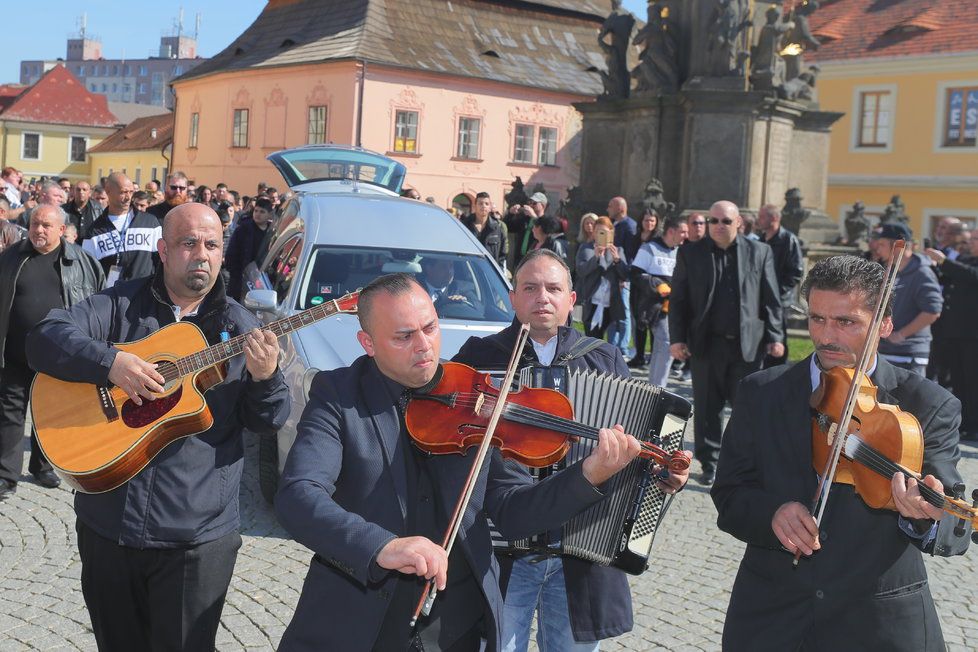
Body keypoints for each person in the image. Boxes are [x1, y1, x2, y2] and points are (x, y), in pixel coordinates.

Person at [274, 271, 646, 651]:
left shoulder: (476, 396)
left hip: (456, 627)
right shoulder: (338, 396)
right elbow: (299, 495)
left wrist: (589, 475)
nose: (424, 346)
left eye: (430, 328)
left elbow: (515, 512)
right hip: (358, 620)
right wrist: (382, 547)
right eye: (404, 336)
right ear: (367, 342)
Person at [26, 202, 290, 650]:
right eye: (189, 243)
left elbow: (268, 420)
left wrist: (266, 379)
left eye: (212, 244)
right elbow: (44, 337)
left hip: (196, 539)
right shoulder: (120, 303)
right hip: (109, 528)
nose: (201, 254)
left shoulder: (240, 328)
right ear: (164, 251)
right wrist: (109, 362)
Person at [712, 255, 969, 651]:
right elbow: (729, 493)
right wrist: (772, 513)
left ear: (884, 324)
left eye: (846, 322)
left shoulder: (928, 405)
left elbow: (951, 523)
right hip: (773, 617)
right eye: (817, 319)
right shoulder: (761, 392)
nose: (826, 336)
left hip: (878, 624)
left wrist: (927, 517)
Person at [453, 249, 690, 651]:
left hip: (580, 553)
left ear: (571, 300)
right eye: (529, 288)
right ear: (512, 298)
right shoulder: (479, 358)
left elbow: (636, 445)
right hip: (500, 553)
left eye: (553, 288)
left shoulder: (604, 358)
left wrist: (665, 475)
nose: (541, 297)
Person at [669, 200, 783, 485]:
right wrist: (677, 339)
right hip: (706, 344)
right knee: (707, 407)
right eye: (714, 221)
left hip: (747, 345)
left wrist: (776, 336)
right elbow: (679, 299)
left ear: (739, 224)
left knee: (747, 407)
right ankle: (710, 464)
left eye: (725, 222)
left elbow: (771, 298)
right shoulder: (690, 253)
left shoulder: (760, 252)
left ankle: (744, 463)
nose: (719, 226)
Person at [0, 204, 104, 500]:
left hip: (58, 356)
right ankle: (6, 475)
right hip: (15, 354)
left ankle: (43, 467)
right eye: (34, 224)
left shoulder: (83, 261)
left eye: (46, 225)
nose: (39, 230)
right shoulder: (10, 258)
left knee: (51, 414)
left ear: (62, 229)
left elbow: (96, 307)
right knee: (9, 414)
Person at [870, 223, 943, 377]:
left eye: (882, 244)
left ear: (898, 246)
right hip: (885, 350)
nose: (878, 249)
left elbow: (932, 311)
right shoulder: (889, 270)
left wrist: (901, 334)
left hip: (909, 353)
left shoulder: (922, 273)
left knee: (907, 401)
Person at [925, 232, 978, 440]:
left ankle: (974, 426)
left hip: (973, 334)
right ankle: (964, 422)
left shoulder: (965, 264)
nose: (970, 244)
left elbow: (971, 275)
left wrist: (945, 261)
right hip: (954, 331)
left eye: (974, 240)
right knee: (958, 379)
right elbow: (948, 277)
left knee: (973, 380)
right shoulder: (965, 259)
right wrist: (933, 266)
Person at [631, 214, 687, 386]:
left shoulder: (681, 252)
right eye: (683, 232)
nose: (686, 235)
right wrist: (657, 285)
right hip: (655, 308)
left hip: (675, 307)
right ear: (671, 231)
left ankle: (654, 388)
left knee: (662, 347)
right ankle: (658, 389)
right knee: (667, 343)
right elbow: (635, 274)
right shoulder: (649, 248)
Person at [82, 172, 162, 287]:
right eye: (123, 192)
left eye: (131, 192)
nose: (128, 197)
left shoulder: (150, 223)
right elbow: (88, 273)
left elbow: (161, 262)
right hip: (111, 299)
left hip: (144, 296)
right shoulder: (94, 232)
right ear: (108, 191)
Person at [757, 203, 804, 366]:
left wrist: (776, 292)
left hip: (779, 302)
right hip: (759, 300)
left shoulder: (788, 240)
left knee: (777, 341)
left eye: (762, 216)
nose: (759, 219)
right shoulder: (761, 240)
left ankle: (776, 376)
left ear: (775, 218)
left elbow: (796, 272)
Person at [576, 216, 628, 339]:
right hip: (591, 301)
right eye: (599, 232)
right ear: (593, 233)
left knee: (609, 342)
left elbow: (625, 275)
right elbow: (581, 271)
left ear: (611, 233)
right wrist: (596, 258)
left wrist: (617, 260)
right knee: (592, 339)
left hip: (611, 303)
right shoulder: (585, 248)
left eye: (605, 232)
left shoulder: (618, 250)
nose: (601, 235)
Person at [626, 210, 661, 367]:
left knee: (653, 319)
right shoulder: (634, 239)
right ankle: (639, 355)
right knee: (637, 318)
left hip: (652, 285)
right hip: (637, 283)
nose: (649, 223)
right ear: (641, 221)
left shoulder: (658, 240)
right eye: (647, 220)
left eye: (652, 221)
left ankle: (654, 356)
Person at [224, 196, 275, 301]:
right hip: (241, 280)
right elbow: (231, 255)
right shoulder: (243, 230)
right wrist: (238, 274)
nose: (258, 214)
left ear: (269, 214)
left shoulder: (272, 233)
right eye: (256, 211)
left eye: (262, 212)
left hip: (264, 281)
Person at [605, 197, 637, 361]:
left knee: (624, 312)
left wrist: (625, 275)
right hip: (614, 273)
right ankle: (614, 345)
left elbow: (630, 254)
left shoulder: (629, 226)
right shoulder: (616, 224)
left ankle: (623, 347)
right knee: (615, 311)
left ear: (620, 208)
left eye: (610, 205)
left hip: (623, 275)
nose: (607, 208)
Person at [462, 191, 509, 270]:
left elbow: (503, 253)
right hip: (469, 271)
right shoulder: (464, 226)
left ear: (490, 207)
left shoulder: (498, 227)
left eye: (486, 204)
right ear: (475, 206)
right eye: (480, 203)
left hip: (490, 271)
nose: (483, 206)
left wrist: (498, 271)